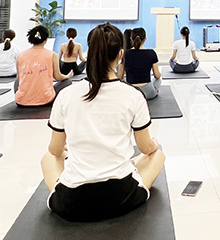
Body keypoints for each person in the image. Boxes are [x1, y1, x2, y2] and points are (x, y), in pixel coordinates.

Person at [40, 23, 166, 222]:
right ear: (120, 54)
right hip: (122, 197)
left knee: (47, 158)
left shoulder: (66, 95)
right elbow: (145, 147)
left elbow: (55, 150)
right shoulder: (133, 96)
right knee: (158, 155)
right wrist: (154, 145)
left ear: (89, 53)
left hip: (72, 203)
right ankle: (124, 167)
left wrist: (66, 150)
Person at [15, 25, 71, 107]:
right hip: (46, 100)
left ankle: (22, 96)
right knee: (67, 81)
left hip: (21, 101)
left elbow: (19, 77)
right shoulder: (52, 55)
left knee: (17, 81)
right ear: (46, 40)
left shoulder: (20, 55)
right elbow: (58, 77)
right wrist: (67, 76)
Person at [125, 27, 161, 100]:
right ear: (145, 39)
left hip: (130, 92)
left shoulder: (125, 54)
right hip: (148, 92)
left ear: (131, 39)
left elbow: (119, 76)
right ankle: (155, 92)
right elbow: (157, 75)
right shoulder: (151, 53)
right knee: (158, 80)